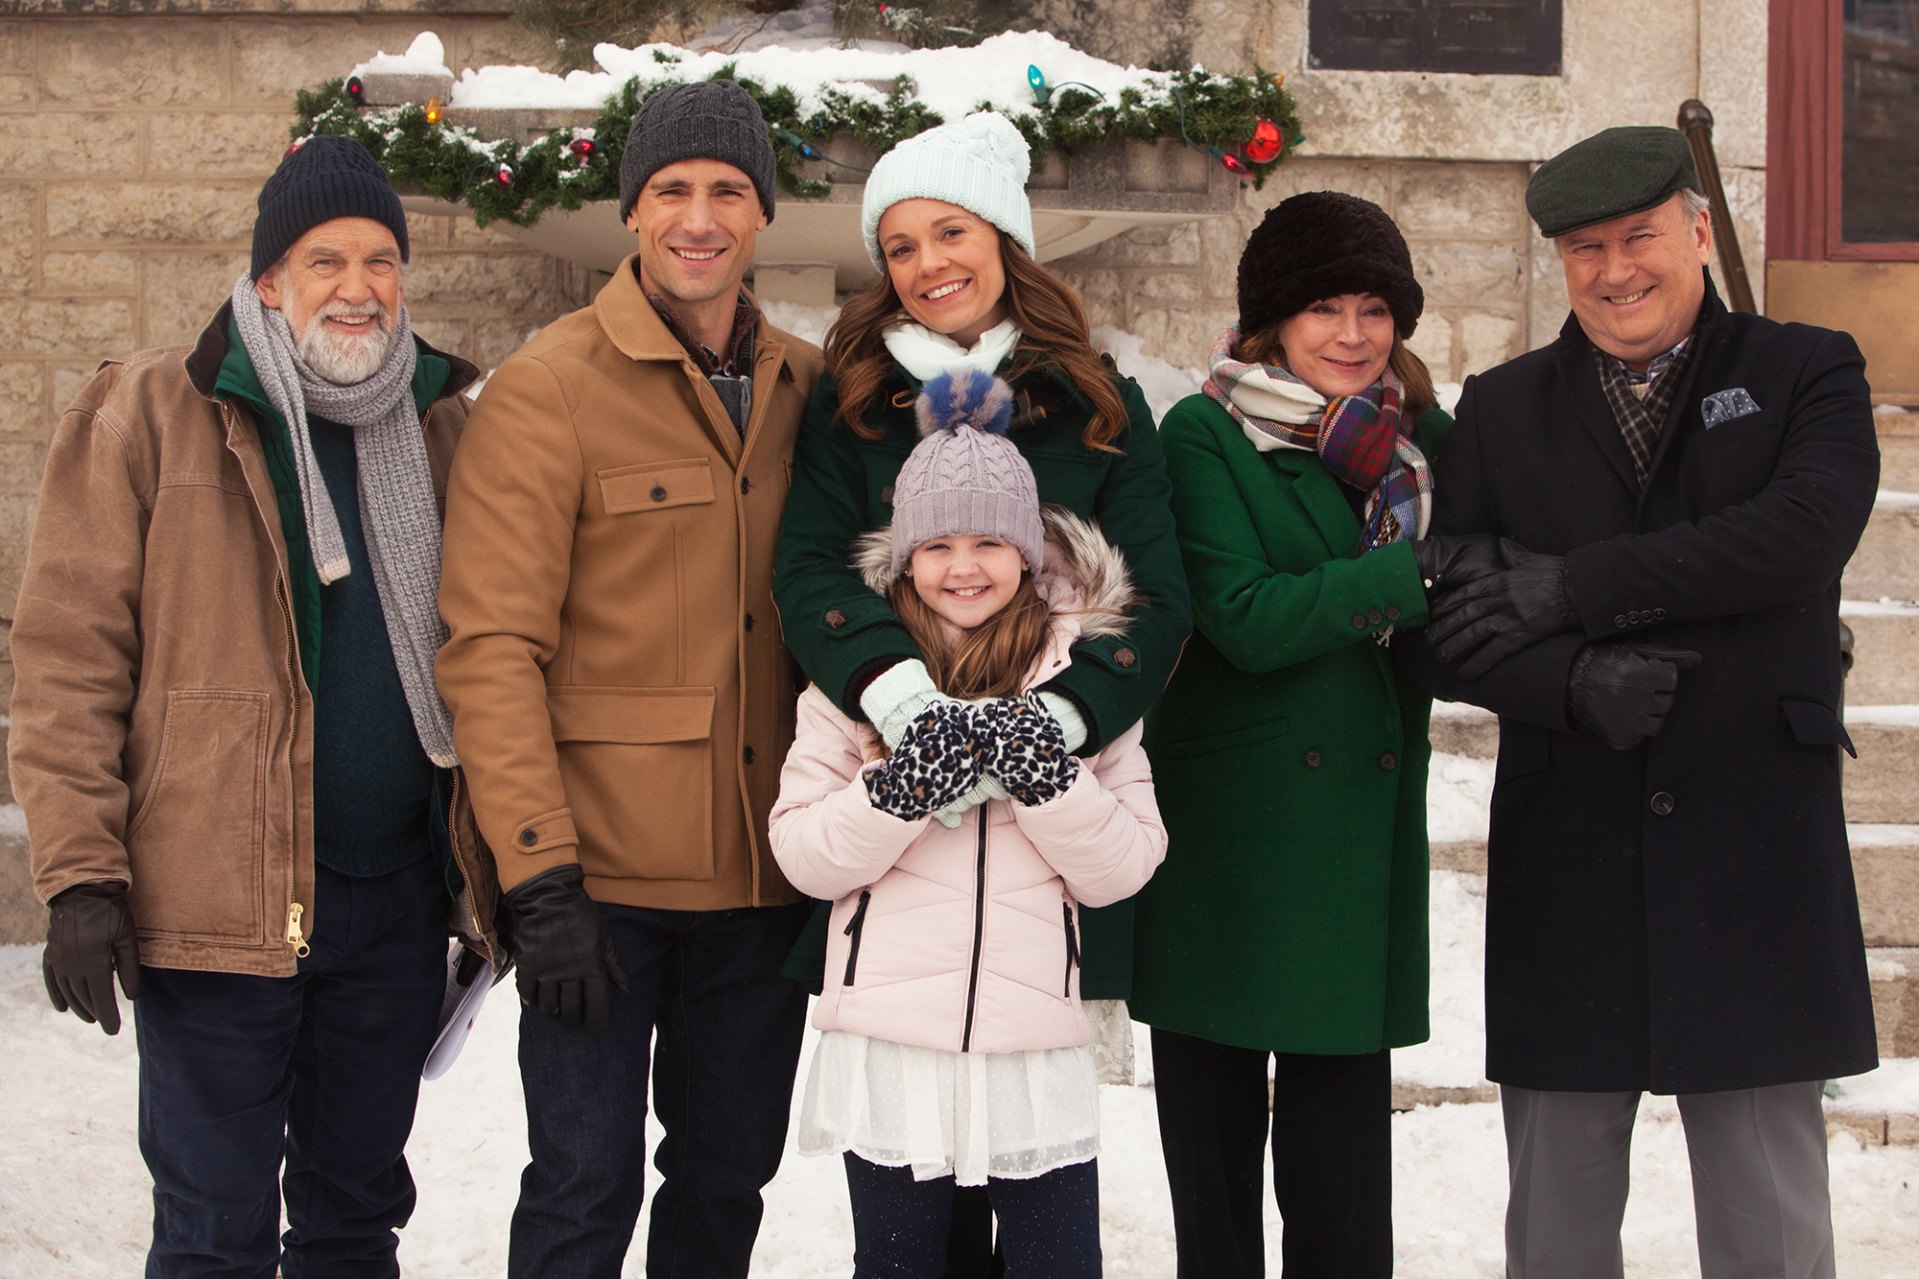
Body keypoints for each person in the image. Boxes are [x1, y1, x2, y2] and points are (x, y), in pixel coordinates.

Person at [10, 134, 500, 1277]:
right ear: (270, 278)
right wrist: (80, 876)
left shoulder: (443, 425)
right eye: (325, 259)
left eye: (380, 260)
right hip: (218, 901)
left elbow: (495, 649)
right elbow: (70, 659)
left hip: (391, 901)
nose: (356, 286)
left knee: (354, 1222)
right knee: (213, 1232)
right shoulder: (151, 410)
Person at [1408, 126, 1880, 1278]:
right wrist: (1565, 681)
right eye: (1585, 249)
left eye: (1639, 237)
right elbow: (1444, 623)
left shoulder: (1807, 370)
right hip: (1568, 848)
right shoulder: (1501, 408)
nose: (1614, 270)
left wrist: (1570, 588)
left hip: (1750, 837)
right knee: (1557, 1223)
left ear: (1697, 231)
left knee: (1769, 1221)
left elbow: (1796, 534)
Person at [771, 110, 1189, 1272]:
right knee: (912, 1228)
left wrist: (1055, 723)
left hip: (1038, 873)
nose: (926, 264)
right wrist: (899, 702)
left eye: (949, 232)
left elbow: (1155, 597)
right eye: (898, 246)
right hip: (893, 833)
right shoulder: (853, 397)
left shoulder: (1095, 400)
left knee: (1040, 1208)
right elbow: (808, 570)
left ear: (1004, 238)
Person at [434, 79, 823, 1278]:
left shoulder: (810, 388)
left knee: (725, 1181)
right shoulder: (548, 387)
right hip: (598, 887)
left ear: (761, 213)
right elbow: (490, 648)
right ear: (631, 211)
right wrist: (538, 878)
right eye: (671, 191)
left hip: (763, 881)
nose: (698, 219)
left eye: (727, 191)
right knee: (580, 1186)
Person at [1130, 190, 1483, 1277]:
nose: (1350, 333)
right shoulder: (1204, 432)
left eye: (1374, 309)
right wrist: (1407, 574)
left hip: (1349, 831)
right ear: (1271, 320)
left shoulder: (1427, 443)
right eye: (1323, 306)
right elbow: (1240, 616)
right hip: (1229, 835)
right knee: (1214, 1169)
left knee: (1342, 1177)